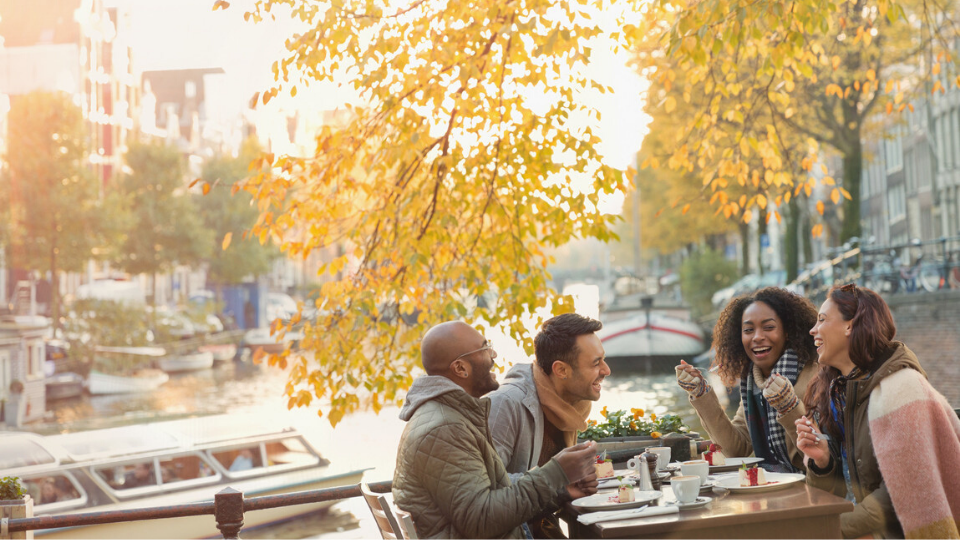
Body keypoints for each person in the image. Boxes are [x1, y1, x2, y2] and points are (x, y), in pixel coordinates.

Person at [392, 321, 599, 539]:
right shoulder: (445, 428)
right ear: (460, 368)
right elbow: (482, 520)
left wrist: (560, 491)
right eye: (484, 349)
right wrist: (557, 472)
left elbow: (493, 494)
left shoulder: (448, 417)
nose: (494, 355)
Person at [796, 283, 960, 538]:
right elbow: (840, 489)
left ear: (850, 325)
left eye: (822, 319)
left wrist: (831, 529)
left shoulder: (904, 389)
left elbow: (901, 492)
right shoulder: (837, 391)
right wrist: (823, 461)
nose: (813, 329)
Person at [487, 313, 608, 538]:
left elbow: (547, 486)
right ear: (561, 370)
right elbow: (490, 490)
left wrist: (566, 487)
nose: (606, 370)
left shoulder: (569, 405)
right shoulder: (505, 405)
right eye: (596, 363)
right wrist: (560, 483)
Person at [675, 287, 818, 472]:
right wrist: (700, 392)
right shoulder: (753, 382)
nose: (757, 337)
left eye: (769, 327)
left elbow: (820, 455)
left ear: (787, 332)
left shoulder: (814, 375)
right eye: (749, 330)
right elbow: (736, 449)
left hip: (811, 490)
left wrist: (788, 405)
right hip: (774, 488)